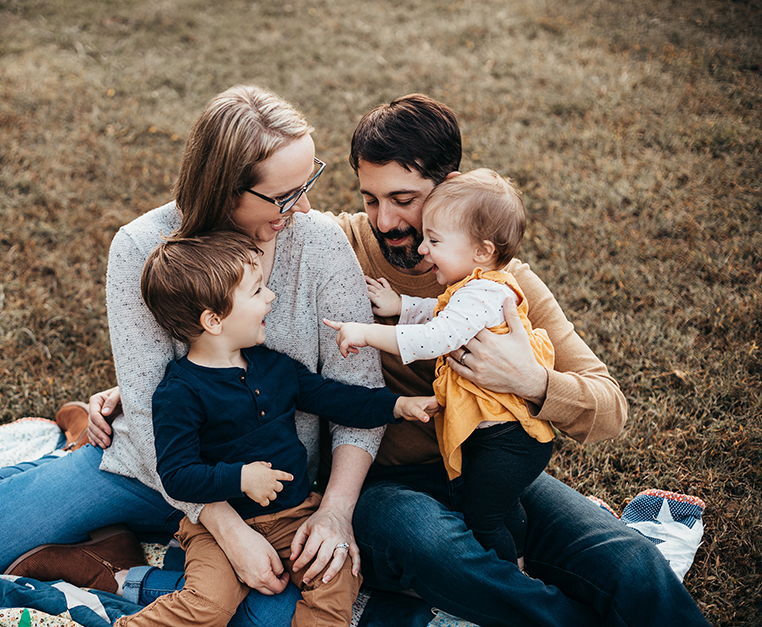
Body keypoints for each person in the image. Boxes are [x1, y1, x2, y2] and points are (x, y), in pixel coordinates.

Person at [88, 94, 712, 626]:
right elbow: (222, 287)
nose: (387, 220)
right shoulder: (340, 244)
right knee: (437, 546)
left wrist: (532, 380)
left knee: (626, 561)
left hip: (489, 467)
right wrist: (133, 389)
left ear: (451, 189)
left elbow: (609, 409)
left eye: (406, 200)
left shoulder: (505, 287)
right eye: (369, 198)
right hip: (383, 486)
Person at [0, 85, 392, 627]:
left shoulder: (321, 244)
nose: (305, 207)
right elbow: (149, 414)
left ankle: (112, 564)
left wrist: (335, 511)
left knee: (272, 616)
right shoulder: (140, 245)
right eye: (284, 195)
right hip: (159, 467)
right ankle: (77, 447)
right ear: (224, 189)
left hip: (271, 491)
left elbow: (358, 394)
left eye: (308, 182)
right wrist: (226, 529)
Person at [118, 231, 435, 627]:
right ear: (213, 320)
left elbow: (334, 398)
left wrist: (398, 406)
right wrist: (241, 478)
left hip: (295, 515)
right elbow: (178, 476)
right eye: (257, 291)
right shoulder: (179, 393)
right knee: (210, 606)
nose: (271, 297)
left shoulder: (274, 367)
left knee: (339, 572)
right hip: (219, 532)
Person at [325, 169, 555, 567]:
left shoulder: (485, 292)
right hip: (498, 438)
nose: (424, 250)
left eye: (435, 241)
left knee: (482, 518)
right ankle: (521, 556)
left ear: (481, 251)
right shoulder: (475, 288)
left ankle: (508, 577)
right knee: (501, 508)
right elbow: (443, 311)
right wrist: (401, 305)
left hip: (506, 442)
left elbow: (436, 337)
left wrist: (365, 332)